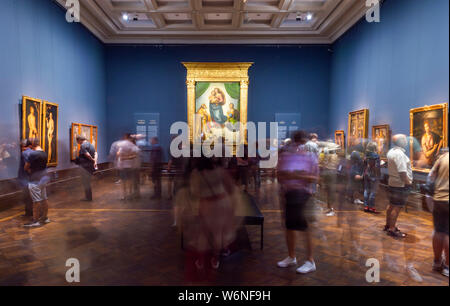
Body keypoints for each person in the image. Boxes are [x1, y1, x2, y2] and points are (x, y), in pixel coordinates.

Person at [277, 130, 319, 274]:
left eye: (300, 142)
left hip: (305, 196)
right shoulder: (286, 156)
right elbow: (279, 175)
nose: (297, 146)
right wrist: (289, 176)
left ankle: (310, 260)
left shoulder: (310, 157)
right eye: (296, 142)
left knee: (305, 228)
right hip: (289, 195)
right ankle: (291, 256)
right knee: (289, 227)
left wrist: (296, 175)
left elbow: (314, 178)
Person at [385, 134, 413, 238]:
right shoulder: (400, 154)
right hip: (400, 185)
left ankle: (388, 225)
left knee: (391, 205)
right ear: (401, 142)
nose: (406, 141)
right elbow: (402, 172)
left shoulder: (391, 152)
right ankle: (392, 229)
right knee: (396, 207)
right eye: (405, 139)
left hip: (392, 182)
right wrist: (408, 182)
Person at [428, 150, 449, 277]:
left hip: (439, 199)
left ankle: (437, 262)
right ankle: (447, 266)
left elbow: (431, 177)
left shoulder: (443, 157)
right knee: (448, 233)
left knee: (439, 230)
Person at [23, 138, 50, 227]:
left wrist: (29, 170)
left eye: (29, 145)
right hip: (43, 178)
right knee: (44, 198)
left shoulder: (32, 154)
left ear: (32, 145)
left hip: (34, 180)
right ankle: (45, 218)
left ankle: (35, 221)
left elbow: (26, 167)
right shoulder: (44, 153)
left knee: (36, 201)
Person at [116, 134, 140, 200]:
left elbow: (134, 155)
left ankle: (126, 195)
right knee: (127, 181)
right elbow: (118, 154)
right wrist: (126, 157)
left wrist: (124, 157)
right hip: (127, 166)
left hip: (127, 166)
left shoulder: (126, 145)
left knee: (126, 181)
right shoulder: (130, 145)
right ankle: (127, 194)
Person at [76, 135, 97, 201]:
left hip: (85, 167)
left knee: (86, 182)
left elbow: (87, 154)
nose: (78, 143)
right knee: (88, 182)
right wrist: (95, 161)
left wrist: (93, 160)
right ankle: (89, 197)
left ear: (79, 140)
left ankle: (88, 198)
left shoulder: (83, 145)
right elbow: (96, 153)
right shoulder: (91, 145)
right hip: (90, 166)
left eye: (77, 141)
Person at [363, 142, 381, 213]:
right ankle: (371, 207)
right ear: (375, 148)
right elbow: (377, 167)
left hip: (366, 174)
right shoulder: (376, 156)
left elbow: (364, 165)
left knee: (366, 190)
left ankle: (366, 206)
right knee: (373, 191)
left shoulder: (366, 155)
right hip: (374, 175)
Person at [18, 139, 33, 217]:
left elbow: (27, 165)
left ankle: (29, 213)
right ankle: (32, 212)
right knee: (31, 196)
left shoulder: (24, 153)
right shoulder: (33, 152)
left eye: (22, 146)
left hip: (25, 178)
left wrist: (29, 171)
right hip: (32, 178)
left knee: (26, 197)